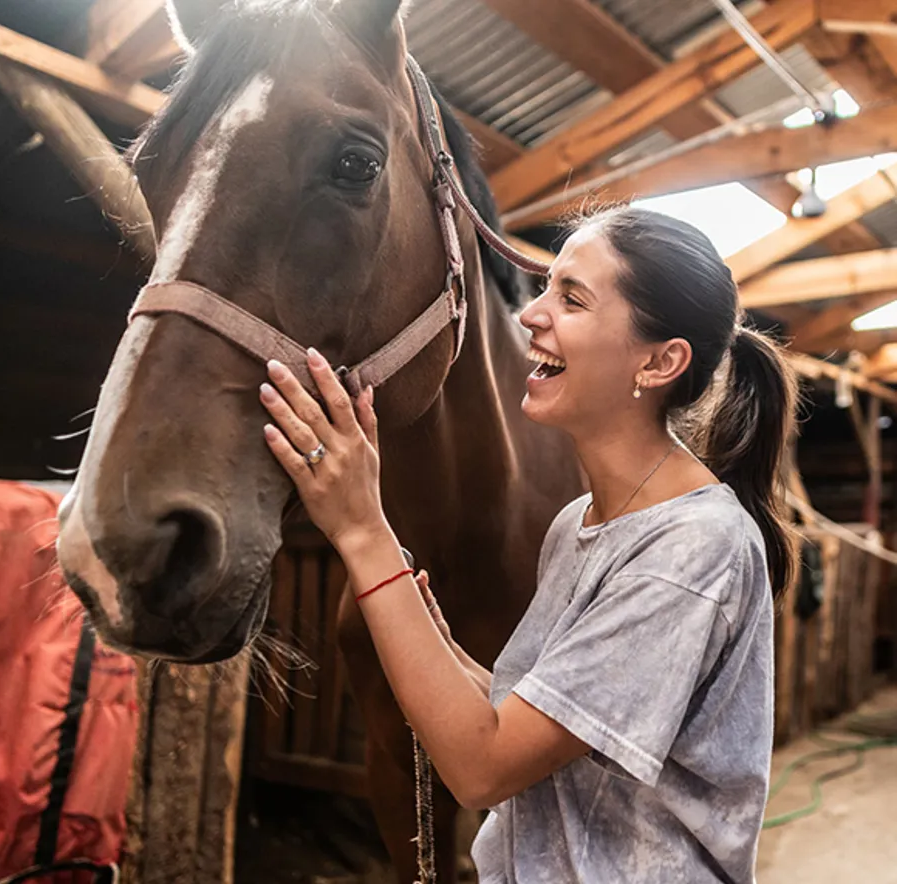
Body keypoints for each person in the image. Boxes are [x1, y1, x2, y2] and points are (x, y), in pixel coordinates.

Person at [257, 206, 798, 884]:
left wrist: (363, 531)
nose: (531, 315)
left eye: (571, 298)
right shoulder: (578, 525)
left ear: (660, 362)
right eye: (546, 287)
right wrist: (440, 645)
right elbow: (543, 721)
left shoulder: (694, 550)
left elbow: (485, 768)